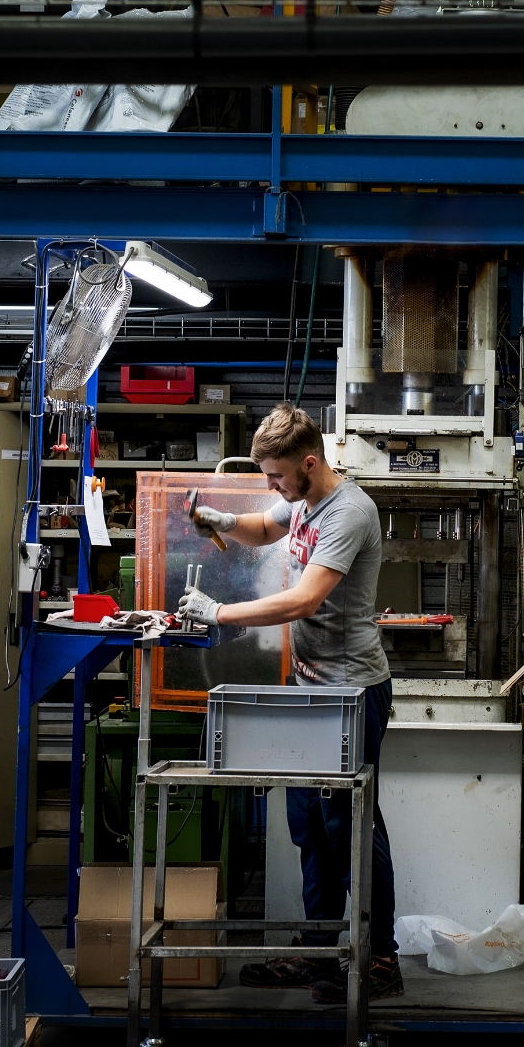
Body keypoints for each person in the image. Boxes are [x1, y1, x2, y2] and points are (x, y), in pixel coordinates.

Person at [177, 403, 402, 1003]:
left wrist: (220, 612)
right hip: (311, 688)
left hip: (351, 692)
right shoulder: (300, 499)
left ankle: (381, 957)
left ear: (308, 463)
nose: (272, 488)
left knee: (351, 825)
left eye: (276, 476)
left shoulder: (349, 512)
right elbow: (264, 527)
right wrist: (221, 519)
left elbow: (304, 600)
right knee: (311, 827)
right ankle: (319, 949)